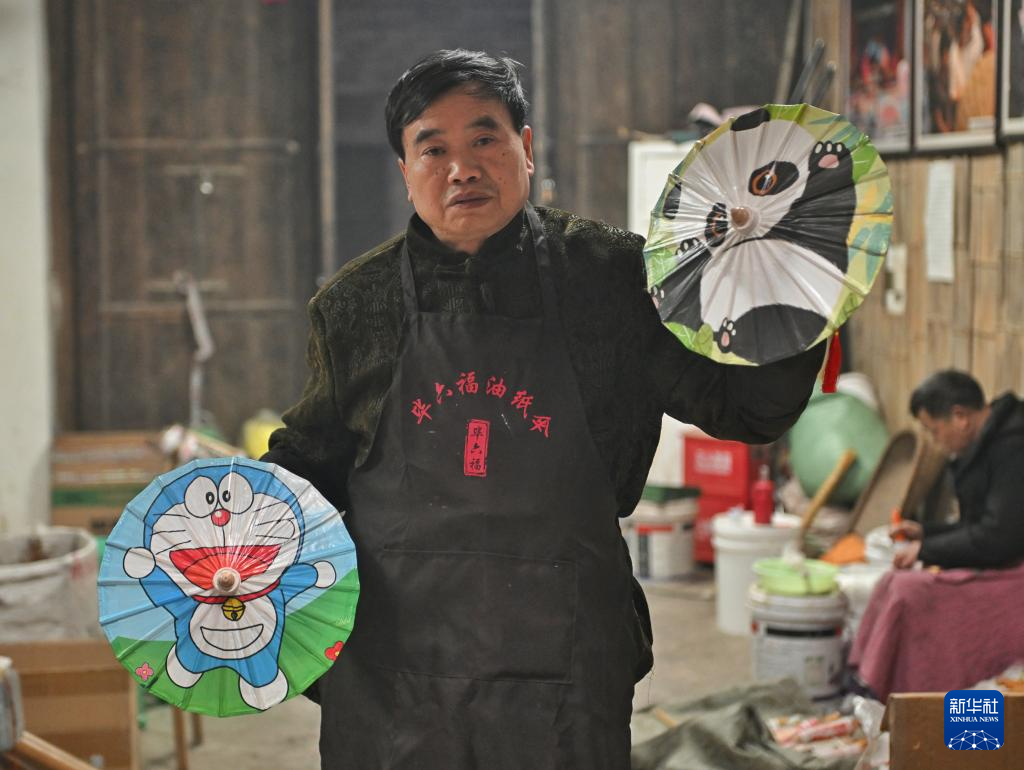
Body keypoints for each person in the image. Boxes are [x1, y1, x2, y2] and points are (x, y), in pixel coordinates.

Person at [264, 49, 825, 770]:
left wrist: (791, 296)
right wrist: (238, 533)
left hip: (564, 670)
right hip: (393, 675)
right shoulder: (352, 306)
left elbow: (742, 409)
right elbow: (308, 466)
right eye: (433, 149)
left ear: (525, 148)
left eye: (484, 138)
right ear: (406, 171)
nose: (462, 168)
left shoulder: (615, 277)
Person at [891, 369, 1024, 570]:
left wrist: (925, 549)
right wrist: (926, 533)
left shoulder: (1013, 448)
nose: (935, 441)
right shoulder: (989, 442)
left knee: (902, 585)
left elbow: (997, 538)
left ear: (960, 417)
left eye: (934, 431)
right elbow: (977, 525)